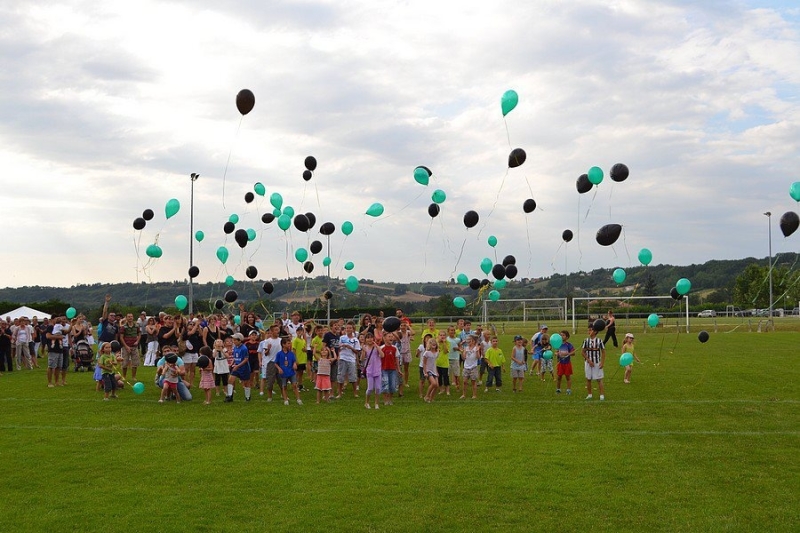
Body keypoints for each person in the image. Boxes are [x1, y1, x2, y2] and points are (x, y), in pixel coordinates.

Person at [336, 321, 361, 399]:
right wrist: (341, 346)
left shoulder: (355, 340)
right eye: (347, 328)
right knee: (340, 376)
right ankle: (339, 393)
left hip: (351, 359)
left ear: (353, 329)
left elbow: (357, 351)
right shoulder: (342, 337)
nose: (348, 329)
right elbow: (338, 348)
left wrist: (350, 347)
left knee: (353, 377)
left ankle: (355, 393)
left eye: (350, 328)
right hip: (342, 358)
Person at [275, 336, 302, 406]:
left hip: (291, 372)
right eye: (288, 343)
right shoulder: (279, 354)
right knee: (284, 386)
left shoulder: (291, 353)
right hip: (283, 372)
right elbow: (275, 363)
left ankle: (298, 399)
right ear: (283, 344)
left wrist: (294, 364)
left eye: (290, 343)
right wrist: (279, 368)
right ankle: (285, 399)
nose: (289, 345)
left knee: (294, 385)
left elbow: (294, 361)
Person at [225, 333, 251, 402]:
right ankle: (230, 396)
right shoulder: (235, 347)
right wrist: (232, 363)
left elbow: (246, 359)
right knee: (230, 380)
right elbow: (235, 357)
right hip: (236, 366)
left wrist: (238, 366)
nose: (233, 341)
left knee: (246, 383)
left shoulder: (244, 348)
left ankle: (247, 397)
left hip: (243, 368)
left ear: (239, 340)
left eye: (235, 340)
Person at [582, 325, 606, 400]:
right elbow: (582, 352)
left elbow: (603, 352)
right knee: (588, 379)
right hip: (588, 363)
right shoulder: (586, 341)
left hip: (597, 362)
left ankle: (602, 395)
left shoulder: (599, 341)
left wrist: (602, 362)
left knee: (599, 379)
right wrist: (589, 361)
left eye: (590, 330)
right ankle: (589, 394)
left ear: (595, 331)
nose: (588, 332)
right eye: (588, 330)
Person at [259, 324, 282, 400]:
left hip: (279, 362)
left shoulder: (281, 340)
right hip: (271, 363)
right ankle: (269, 397)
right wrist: (268, 349)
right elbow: (266, 353)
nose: (277, 331)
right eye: (275, 330)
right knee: (270, 381)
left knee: (281, 380)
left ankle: (283, 394)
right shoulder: (268, 341)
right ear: (271, 332)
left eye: (278, 330)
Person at [361, 332, 382, 409]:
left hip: (377, 370)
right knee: (370, 388)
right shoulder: (365, 348)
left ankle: (377, 403)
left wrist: (377, 346)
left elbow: (382, 355)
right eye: (368, 338)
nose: (370, 339)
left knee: (378, 388)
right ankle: (366, 402)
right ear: (365, 340)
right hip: (370, 370)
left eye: (371, 337)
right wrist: (363, 351)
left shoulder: (376, 347)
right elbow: (362, 359)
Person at [118, 313, 141, 381]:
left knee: (135, 362)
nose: (130, 318)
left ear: (133, 317)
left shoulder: (136, 326)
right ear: (126, 318)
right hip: (126, 346)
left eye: (131, 316)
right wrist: (126, 346)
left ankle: (133, 377)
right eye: (128, 317)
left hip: (134, 346)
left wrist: (137, 341)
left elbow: (139, 334)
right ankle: (124, 376)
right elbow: (121, 337)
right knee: (124, 362)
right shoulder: (123, 327)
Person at [380, 332, 399, 405]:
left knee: (392, 385)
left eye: (392, 336)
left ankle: (390, 399)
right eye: (389, 336)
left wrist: (398, 369)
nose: (391, 338)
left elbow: (397, 359)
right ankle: (385, 400)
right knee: (385, 384)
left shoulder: (395, 348)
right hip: (384, 369)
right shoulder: (382, 348)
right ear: (384, 338)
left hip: (393, 369)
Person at [460, 334, 481, 399]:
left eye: (469, 340)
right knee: (464, 381)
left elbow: (478, 357)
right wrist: (463, 352)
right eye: (467, 340)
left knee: (473, 381)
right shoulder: (466, 348)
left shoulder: (476, 348)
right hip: (466, 367)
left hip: (473, 367)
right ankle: (463, 394)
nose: (468, 341)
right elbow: (464, 358)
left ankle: (474, 395)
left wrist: (477, 351)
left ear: (473, 341)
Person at [556, 330, 575, 395]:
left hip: (567, 363)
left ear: (567, 337)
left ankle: (568, 390)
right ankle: (558, 389)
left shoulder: (569, 345)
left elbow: (573, 353)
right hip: (560, 363)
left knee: (568, 377)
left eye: (563, 335)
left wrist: (568, 353)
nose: (561, 336)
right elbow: (556, 352)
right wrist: (557, 354)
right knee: (559, 377)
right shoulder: (558, 344)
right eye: (560, 335)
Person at [422, 338, 439, 403]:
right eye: (431, 342)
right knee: (433, 383)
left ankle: (431, 399)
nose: (433, 343)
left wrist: (436, 371)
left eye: (434, 342)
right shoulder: (427, 353)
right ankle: (427, 396)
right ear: (429, 344)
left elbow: (435, 363)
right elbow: (424, 363)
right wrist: (425, 372)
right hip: (428, 370)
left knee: (437, 385)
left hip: (434, 370)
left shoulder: (437, 353)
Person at [417, 333, 433, 399]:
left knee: (430, 381)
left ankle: (429, 393)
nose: (428, 339)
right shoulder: (421, 346)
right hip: (422, 366)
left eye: (429, 338)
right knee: (422, 380)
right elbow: (417, 354)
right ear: (424, 339)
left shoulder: (433, 346)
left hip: (430, 366)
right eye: (426, 338)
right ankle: (421, 393)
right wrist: (417, 352)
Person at [446, 326, 462, 390]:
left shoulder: (458, 340)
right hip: (447, 358)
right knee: (446, 374)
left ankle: (457, 386)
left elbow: (461, 348)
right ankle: (446, 387)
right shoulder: (446, 339)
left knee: (456, 374)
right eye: (451, 330)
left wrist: (458, 348)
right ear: (448, 332)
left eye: (453, 330)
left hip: (455, 358)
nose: (452, 331)